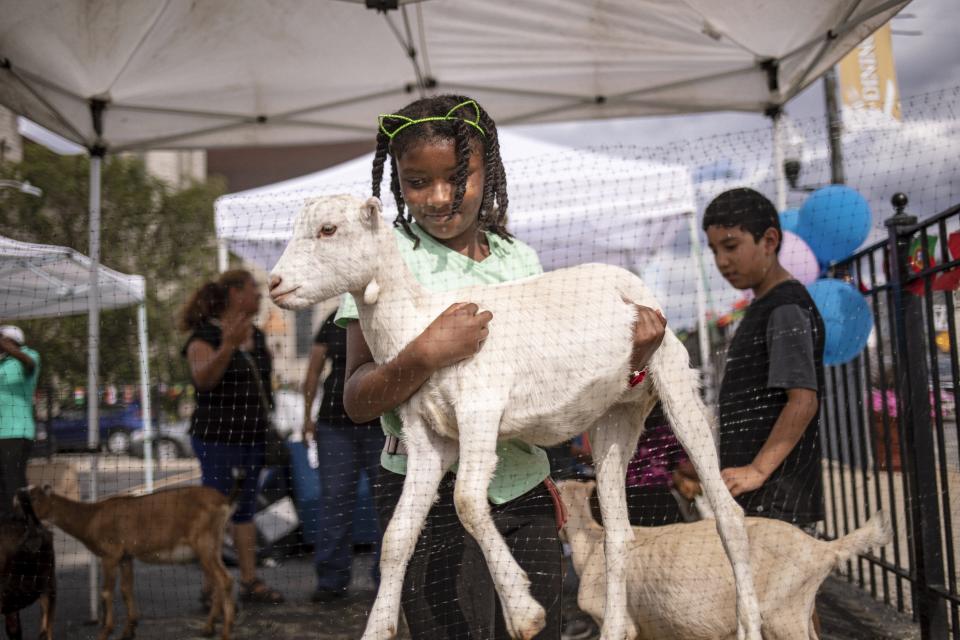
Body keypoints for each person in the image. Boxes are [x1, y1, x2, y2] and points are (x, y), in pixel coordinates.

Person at [335, 94, 666, 639]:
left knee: (536, 627)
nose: (439, 197)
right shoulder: (382, 258)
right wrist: (424, 354)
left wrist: (631, 365)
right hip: (428, 497)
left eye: (457, 176)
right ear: (397, 184)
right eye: (418, 182)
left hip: (522, 487)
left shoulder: (520, 262)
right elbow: (355, 399)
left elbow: (566, 387)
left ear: (489, 173)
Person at [681, 187, 825, 530]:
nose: (722, 261)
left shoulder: (785, 307)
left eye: (731, 246)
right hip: (760, 500)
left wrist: (758, 469)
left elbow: (803, 401)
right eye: (714, 250)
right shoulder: (761, 306)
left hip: (780, 502)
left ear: (770, 240)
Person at [179, 269, 284, 604]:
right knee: (215, 510)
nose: (259, 295)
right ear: (235, 294)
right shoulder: (205, 335)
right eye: (253, 289)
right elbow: (203, 379)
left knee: (245, 510)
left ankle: (250, 581)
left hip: (252, 438)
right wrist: (228, 346)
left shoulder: (256, 333)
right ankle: (212, 586)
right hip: (217, 440)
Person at [302, 312, 382, 603]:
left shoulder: (385, 311)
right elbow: (312, 370)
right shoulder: (333, 319)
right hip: (335, 424)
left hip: (380, 423)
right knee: (335, 500)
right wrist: (307, 417)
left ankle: (388, 580)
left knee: (387, 501)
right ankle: (331, 581)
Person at [0, 325, 39, 517]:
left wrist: (5, 345)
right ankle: (6, 525)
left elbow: (29, 363)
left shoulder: (28, 355)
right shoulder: (2, 362)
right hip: (2, 433)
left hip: (16, 431)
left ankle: (29, 525)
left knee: (13, 481)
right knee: (3, 484)